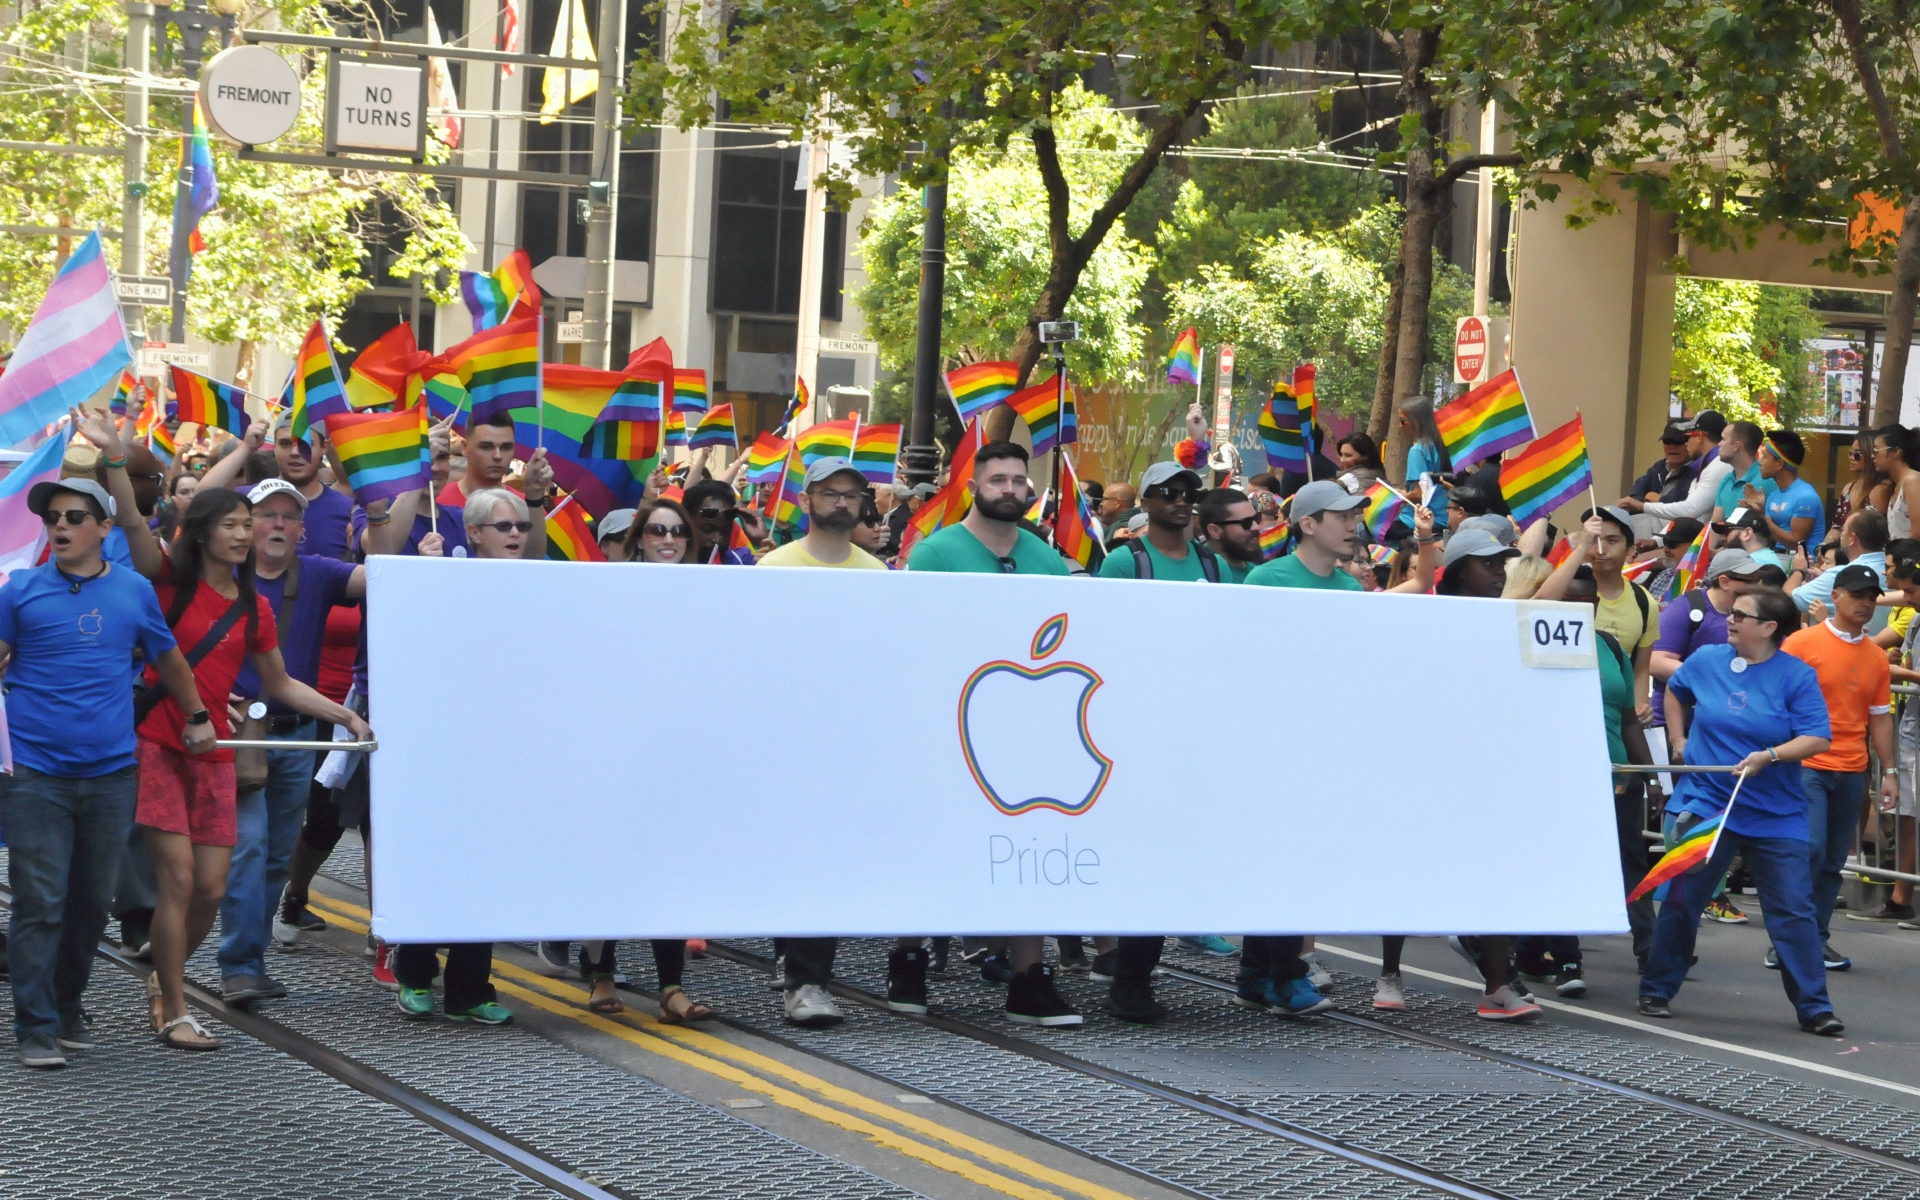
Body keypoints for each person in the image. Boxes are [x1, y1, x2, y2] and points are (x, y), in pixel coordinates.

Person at [134, 486, 372, 1050]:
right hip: (162, 744)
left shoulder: (254, 607)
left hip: (218, 749)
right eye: (233, 524)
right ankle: (174, 1004)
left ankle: (162, 979)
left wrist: (347, 718)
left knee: (211, 891)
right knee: (180, 880)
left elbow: (281, 682)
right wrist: (117, 462)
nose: (245, 534)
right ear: (201, 532)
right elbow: (131, 524)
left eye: (249, 524)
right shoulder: (170, 581)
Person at [0, 449, 214, 1068]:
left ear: (102, 527)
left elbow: (168, 658)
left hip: (111, 772)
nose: (60, 527)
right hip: (37, 774)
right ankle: (35, 1024)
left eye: (73, 517)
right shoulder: (19, 592)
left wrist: (197, 716)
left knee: (92, 903)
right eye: (52, 519)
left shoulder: (134, 590)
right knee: (40, 899)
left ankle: (67, 1006)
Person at [908, 444, 1086, 1027]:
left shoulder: (1046, 558)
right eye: (997, 479)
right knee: (933, 844)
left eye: (1018, 479)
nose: (1009, 488)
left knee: (1031, 845)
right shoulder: (937, 553)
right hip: (948, 721)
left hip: (1028, 729)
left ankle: (1029, 978)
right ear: (974, 486)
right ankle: (907, 959)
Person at [1644, 587, 1841, 1036]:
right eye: (1731, 613)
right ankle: (1657, 988)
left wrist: (1768, 756)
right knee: (1682, 900)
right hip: (1708, 803)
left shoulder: (1795, 676)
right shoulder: (1708, 658)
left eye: (1740, 615)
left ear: (1769, 628)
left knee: (1793, 909)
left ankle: (1815, 1006)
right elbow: (1675, 690)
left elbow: (1817, 738)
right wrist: (1678, 739)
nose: (1729, 619)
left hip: (1776, 813)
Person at [216, 479, 366, 1007]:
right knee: (248, 848)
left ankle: (249, 962)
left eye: (289, 516)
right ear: (243, 525)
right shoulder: (220, 575)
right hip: (238, 737)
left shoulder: (320, 572)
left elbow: (387, 579)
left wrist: (387, 517)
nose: (278, 524)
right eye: (266, 514)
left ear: (303, 530)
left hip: (299, 736)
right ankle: (236, 964)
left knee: (278, 857)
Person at [758, 458, 893, 1027]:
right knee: (786, 855)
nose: (841, 502)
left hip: (849, 738)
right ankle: (793, 957)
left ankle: (807, 980)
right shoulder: (772, 568)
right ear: (807, 499)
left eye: (851, 494)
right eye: (829, 493)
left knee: (824, 857)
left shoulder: (881, 576)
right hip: (783, 734)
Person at [392, 489, 527, 1026]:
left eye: (520, 525)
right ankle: (415, 972)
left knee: (487, 867)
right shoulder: (441, 576)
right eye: (503, 527)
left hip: (502, 749)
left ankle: (470, 988)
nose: (516, 534)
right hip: (440, 747)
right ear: (472, 534)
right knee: (435, 860)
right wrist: (424, 582)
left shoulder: (535, 587)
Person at [1517, 565, 1654, 998]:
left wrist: (1649, 777)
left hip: (1616, 776)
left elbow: (1629, 718)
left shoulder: (1611, 646)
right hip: (1560, 777)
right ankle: (1566, 955)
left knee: (1632, 860)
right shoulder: (1535, 648)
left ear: (1595, 605)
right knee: (1566, 862)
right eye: (1566, 602)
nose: (1576, 610)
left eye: (1585, 603)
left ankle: (1650, 949)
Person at [1775, 564, 1895, 972]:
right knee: (1808, 849)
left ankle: (1814, 938)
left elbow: (1880, 716)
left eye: (1872, 597)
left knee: (1831, 861)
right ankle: (1790, 939)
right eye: (1858, 595)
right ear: (1836, 595)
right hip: (1806, 764)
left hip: (1852, 770)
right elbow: (1776, 698)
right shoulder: (1800, 643)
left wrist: (1890, 773)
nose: (1866, 603)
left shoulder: (1877, 657)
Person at [1539, 508, 1657, 723]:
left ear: (1630, 549)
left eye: (1612, 541)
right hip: (1562, 708)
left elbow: (1640, 670)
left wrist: (1639, 709)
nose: (1601, 549)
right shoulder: (1566, 589)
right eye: (1594, 540)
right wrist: (1582, 545)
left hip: (1615, 717)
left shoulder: (1644, 602)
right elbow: (1538, 607)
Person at [197, 417, 357, 561]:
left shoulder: (347, 509)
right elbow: (200, 499)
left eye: (306, 444)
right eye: (285, 443)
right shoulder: (248, 499)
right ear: (274, 447)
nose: (295, 452)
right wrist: (246, 448)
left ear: (324, 447)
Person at [1098, 462, 1220, 581]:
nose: (1182, 502)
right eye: (1169, 494)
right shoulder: (1121, 562)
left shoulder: (1215, 565)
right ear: (1146, 504)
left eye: (1189, 495)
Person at [1621, 411, 1728, 524]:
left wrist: (1643, 506)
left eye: (1686, 438)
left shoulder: (1719, 465)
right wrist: (1656, 541)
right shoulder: (1706, 466)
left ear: (1700, 437)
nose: (1685, 444)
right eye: (1667, 441)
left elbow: (1690, 510)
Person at [1788, 509, 1888, 614]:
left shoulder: (1840, 575)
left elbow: (1788, 600)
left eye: (1843, 530)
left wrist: (1798, 569)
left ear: (1852, 538)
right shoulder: (1894, 571)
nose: (1840, 535)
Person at [1746, 430, 1824, 552]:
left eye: (1765, 457)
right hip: (1778, 557)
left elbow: (1796, 542)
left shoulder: (1805, 496)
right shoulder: (1773, 495)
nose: (1759, 462)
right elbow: (1770, 536)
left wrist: (1762, 516)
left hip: (1802, 563)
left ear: (1779, 464)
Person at [1399, 398, 1452, 527]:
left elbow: (1419, 494)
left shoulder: (1418, 451)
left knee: (1367, 529)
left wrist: (1398, 497)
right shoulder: (1446, 445)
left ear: (1416, 421)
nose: (1399, 426)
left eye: (1402, 421)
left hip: (1421, 518)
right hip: (1447, 517)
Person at [1197, 488, 1264, 583]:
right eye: (1246, 523)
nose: (1256, 527)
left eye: (1256, 518)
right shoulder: (1202, 573)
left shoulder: (1261, 574)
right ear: (1215, 531)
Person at [685, 479, 755, 565]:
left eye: (725, 532)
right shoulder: (668, 562)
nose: (716, 539)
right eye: (708, 530)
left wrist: (760, 540)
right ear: (686, 522)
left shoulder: (743, 563)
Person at [1629, 424, 1696, 508]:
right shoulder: (1658, 467)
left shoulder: (1697, 470)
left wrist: (1659, 499)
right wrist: (1644, 503)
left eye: (1678, 441)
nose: (1672, 446)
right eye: (1667, 441)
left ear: (1689, 443)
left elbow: (1681, 502)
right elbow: (1636, 493)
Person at [1872, 424, 1920, 540]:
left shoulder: (1912, 480)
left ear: (1896, 452)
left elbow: (1918, 532)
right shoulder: (1896, 484)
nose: (1872, 455)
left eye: (1876, 450)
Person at [1835, 436, 1892, 530]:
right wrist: (1825, 544)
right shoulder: (1848, 488)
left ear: (1872, 455)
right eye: (1850, 453)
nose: (1852, 458)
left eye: (1857, 454)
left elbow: (1871, 533)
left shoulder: (1881, 489)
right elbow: (1836, 527)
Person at [620, 497, 698, 564]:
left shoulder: (703, 580)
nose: (669, 540)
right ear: (639, 540)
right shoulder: (618, 580)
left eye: (678, 531)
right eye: (657, 531)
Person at [1098, 481, 1138, 551]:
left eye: (1104, 499)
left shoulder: (1120, 527)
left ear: (1118, 502)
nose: (1101, 503)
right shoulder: (1138, 523)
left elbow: (1108, 559)